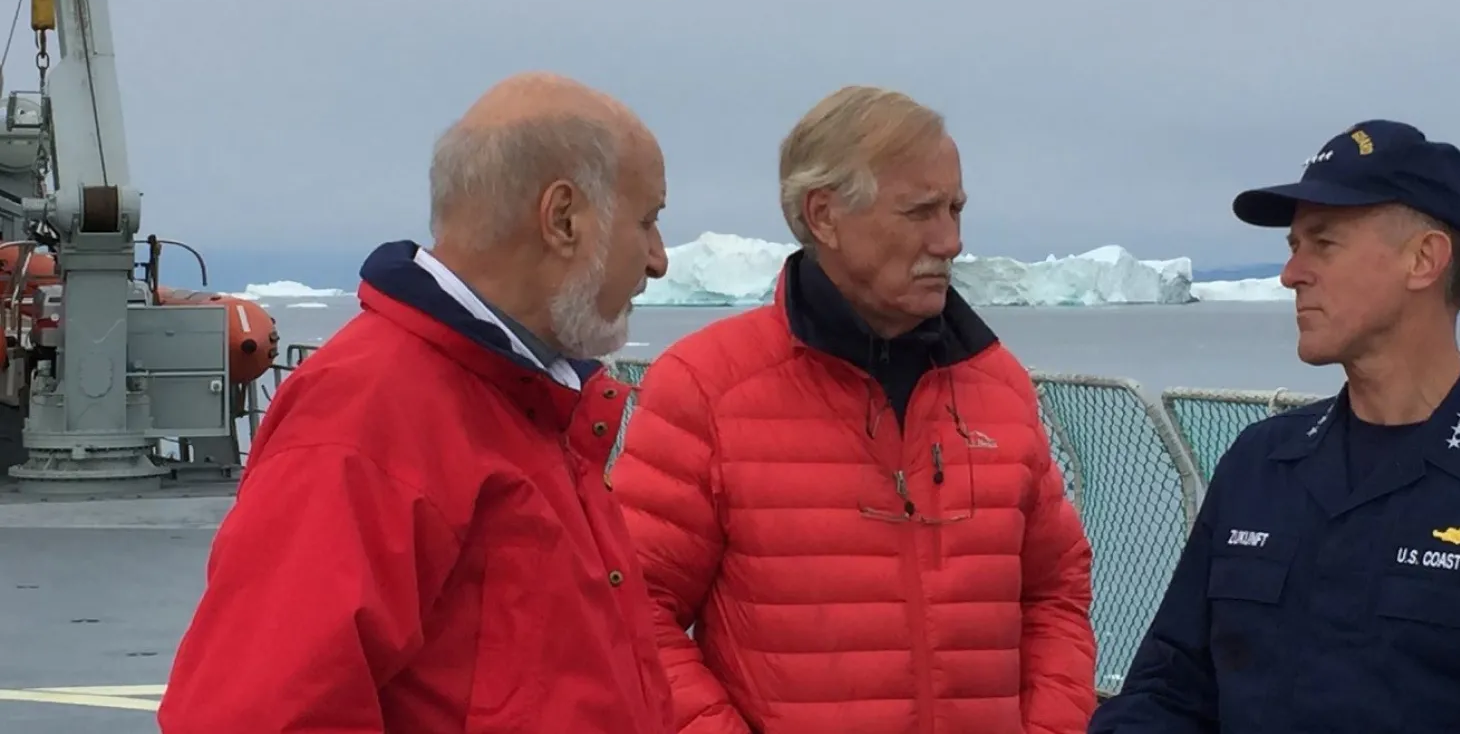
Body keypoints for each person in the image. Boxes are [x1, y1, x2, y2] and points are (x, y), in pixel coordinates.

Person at [157, 72, 676, 733]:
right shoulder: (370, 414)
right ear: (563, 219)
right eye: (647, 221)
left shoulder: (523, 400)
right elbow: (257, 715)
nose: (658, 259)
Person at [1089, 120, 1460, 733]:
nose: (1291, 274)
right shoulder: (1260, 465)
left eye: (1323, 244)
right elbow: (1168, 691)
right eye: (1293, 246)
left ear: (1423, 260)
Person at [610, 84, 1098, 733]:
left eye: (955, 208)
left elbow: (1056, 591)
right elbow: (634, 610)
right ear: (824, 216)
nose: (951, 241)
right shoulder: (707, 389)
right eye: (920, 212)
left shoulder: (999, 386)